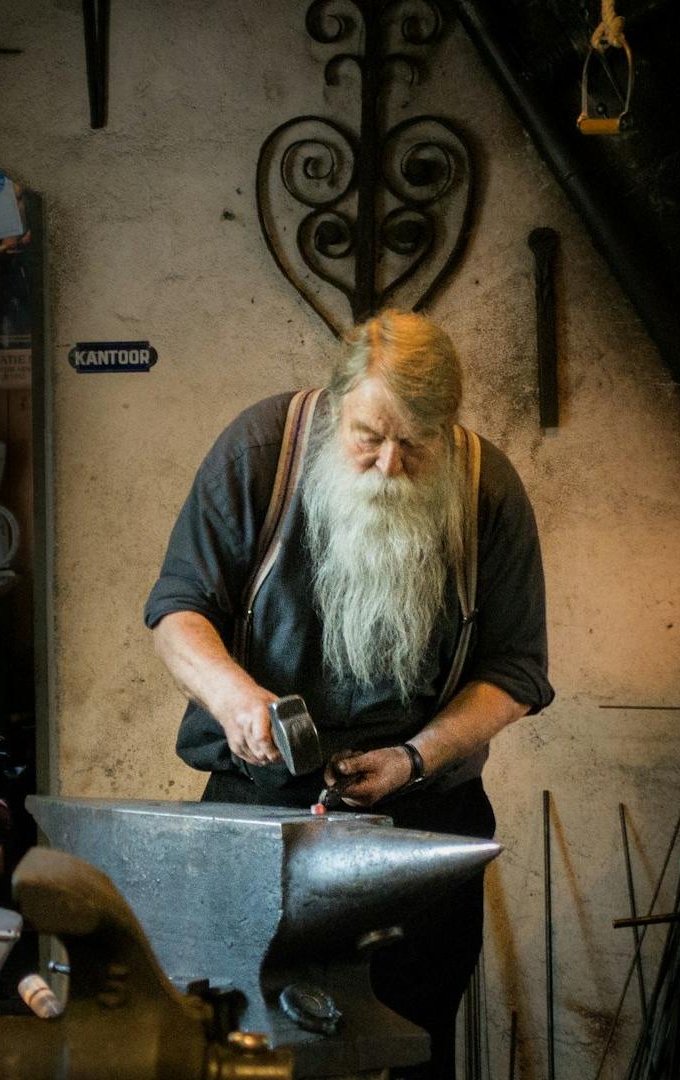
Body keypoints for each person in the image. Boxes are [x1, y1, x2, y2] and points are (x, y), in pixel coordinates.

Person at [145, 310, 552, 1080]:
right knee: (245, 1052)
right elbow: (177, 610)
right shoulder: (259, 453)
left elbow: (517, 671)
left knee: (407, 1047)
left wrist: (413, 757)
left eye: (417, 443)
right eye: (369, 435)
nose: (390, 463)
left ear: (449, 426)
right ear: (335, 408)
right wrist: (236, 700)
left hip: (420, 822)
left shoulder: (486, 489)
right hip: (258, 813)